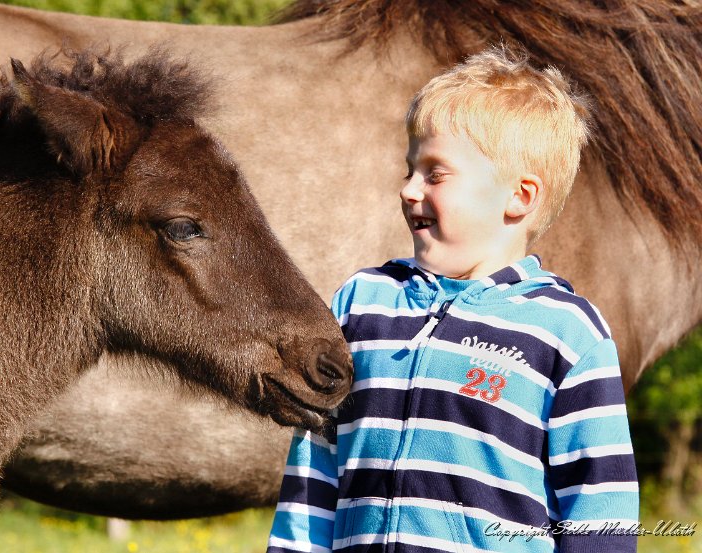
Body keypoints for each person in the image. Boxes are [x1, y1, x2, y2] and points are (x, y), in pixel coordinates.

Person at [266, 47, 639, 553]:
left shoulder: (567, 333)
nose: (408, 190)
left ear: (520, 197)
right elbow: (315, 466)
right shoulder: (361, 304)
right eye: (409, 170)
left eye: (435, 174)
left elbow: (601, 508)